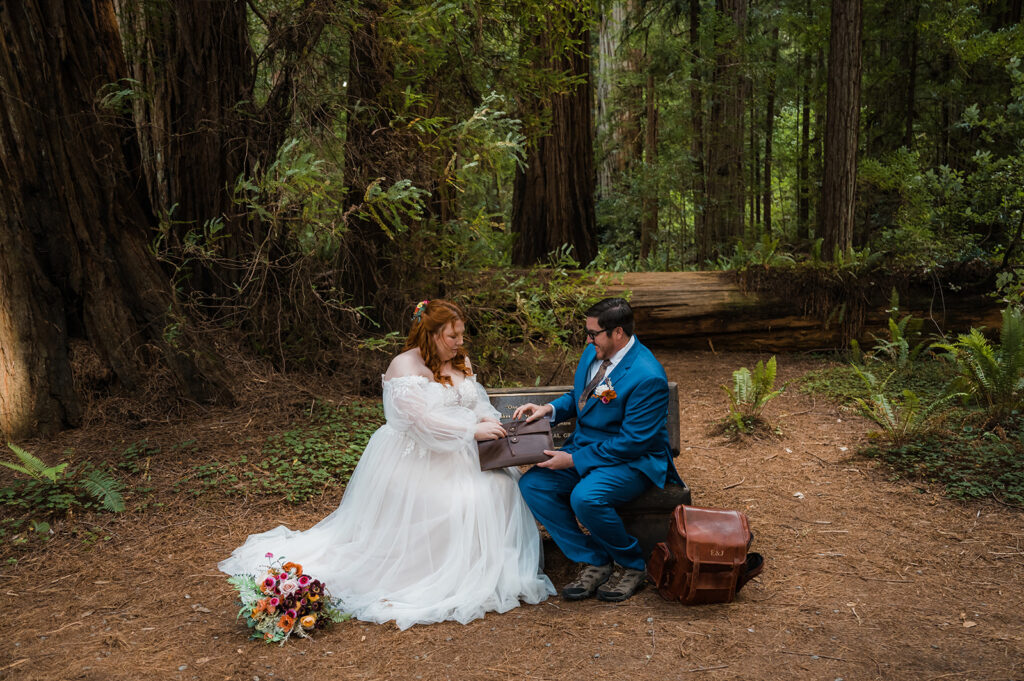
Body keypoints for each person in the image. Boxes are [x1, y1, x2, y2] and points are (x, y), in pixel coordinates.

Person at [219, 299, 554, 630]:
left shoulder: (458, 361)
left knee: (501, 486)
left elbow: (475, 398)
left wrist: (483, 417)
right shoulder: (404, 367)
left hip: (464, 453)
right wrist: (469, 430)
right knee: (461, 503)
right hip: (419, 459)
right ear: (432, 334)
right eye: (453, 336)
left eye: (462, 335)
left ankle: (492, 569)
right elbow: (416, 422)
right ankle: (432, 573)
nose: (460, 343)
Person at [513, 297, 682, 602]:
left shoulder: (647, 376)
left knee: (586, 497)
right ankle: (594, 559)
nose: (587, 339)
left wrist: (574, 459)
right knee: (534, 485)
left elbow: (633, 442)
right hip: (588, 451)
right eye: (587, 333)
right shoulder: (596, 351)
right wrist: (549, 409)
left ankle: (632, 564)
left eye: (593, 333)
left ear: (618, 332)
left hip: (633, 461)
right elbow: (583, 395)